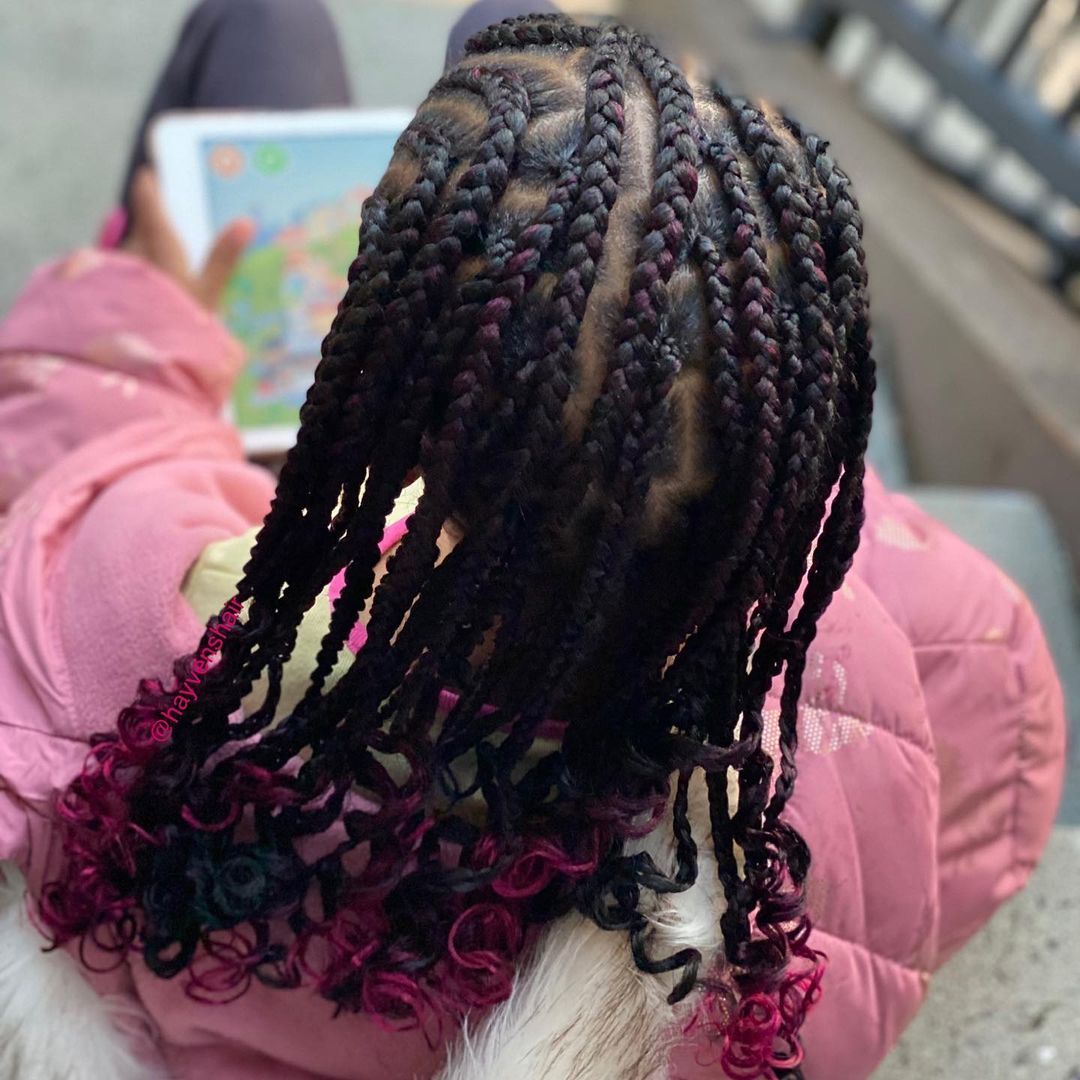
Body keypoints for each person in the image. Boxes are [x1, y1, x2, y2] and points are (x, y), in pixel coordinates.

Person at [0, 5, 1065, 1080]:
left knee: (265, 16)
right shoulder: (866, 713)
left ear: (401, 417)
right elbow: (992, 777)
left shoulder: (132, 600)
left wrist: (138, 311)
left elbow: (73, 442)